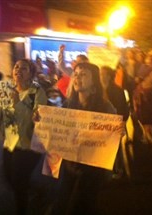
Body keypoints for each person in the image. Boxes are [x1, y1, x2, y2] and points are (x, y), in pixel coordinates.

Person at [0, 59, 48, 214]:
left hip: (29, 145)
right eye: (16, 67)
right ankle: (38, 189)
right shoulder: (7, 89)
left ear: (31, 73)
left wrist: (18, 103)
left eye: (24, 68)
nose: (18, 70)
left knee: (18, 184)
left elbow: (37, 119)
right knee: (9, 179)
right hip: (10, 143)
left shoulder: (37, 92)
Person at [53, 62, 116, 214]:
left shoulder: (106, 108)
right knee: (64, 205)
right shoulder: (68, 105)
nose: (77, 78)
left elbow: (110, 141)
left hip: (92, 172)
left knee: (83, 206)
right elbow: (58, 131)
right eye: (75, 74)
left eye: (83, 75)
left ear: (94, 81)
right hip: (70, 167)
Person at [100, 66, 130, 178]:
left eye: (103, 74)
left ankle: (119, 170)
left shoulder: (117, 90)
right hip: (101, 124)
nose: (101, 76)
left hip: (114, 123)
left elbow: (123, 108)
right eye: (100, 74)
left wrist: (121, 122)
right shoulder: (97, 90)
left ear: (109, 76)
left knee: (116, 149)